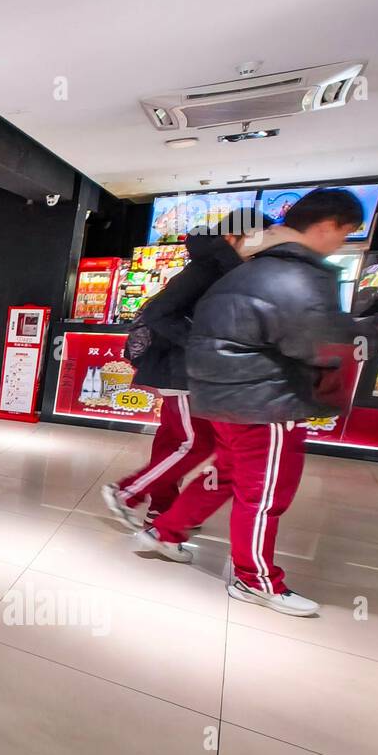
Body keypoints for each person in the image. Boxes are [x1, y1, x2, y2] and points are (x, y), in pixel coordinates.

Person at [137, 189, 378, 616]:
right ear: (327, 225)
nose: (342, 243)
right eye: (346, 233)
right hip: (265, 397)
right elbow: (317, 343)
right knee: (263, 493)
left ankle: (167, 531)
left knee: (226, 474)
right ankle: (253, 578)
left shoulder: (241, 271)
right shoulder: (298, 275)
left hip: (221, 394)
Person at [102, 211, 252, 529]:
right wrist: (201, 344)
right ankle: (129, 492)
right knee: (195, 442)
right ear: (233, 237)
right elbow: (158, 312)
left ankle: (161, 509)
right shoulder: (210, 268)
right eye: (257, 237)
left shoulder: (216, 266)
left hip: (183, 370)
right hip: (183, 371)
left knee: (175, 441)